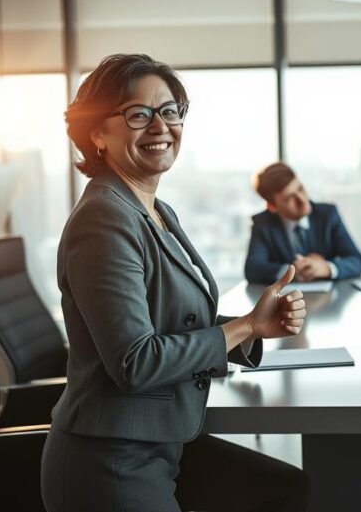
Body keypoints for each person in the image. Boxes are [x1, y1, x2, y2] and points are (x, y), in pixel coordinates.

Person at [41, 54, 309, 512]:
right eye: (138, 114)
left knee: (287, 489)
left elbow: (169, 320)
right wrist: (242, 328)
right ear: (97, 133)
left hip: (164, 441)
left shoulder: (155, 210)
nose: (160, 126)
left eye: (169, 111)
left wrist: (254, 326)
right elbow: (136, 361)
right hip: (114, 462)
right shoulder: (104, 218)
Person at [244, 162, 361, 284]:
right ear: (272, 207)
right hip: (285, 300)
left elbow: (357, 261)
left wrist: (326, 268)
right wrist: (292, 271)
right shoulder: (262, 223)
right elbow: (252, 269)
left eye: (300, 188)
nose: (302, 200)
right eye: (289, 198)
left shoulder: (327, 215)